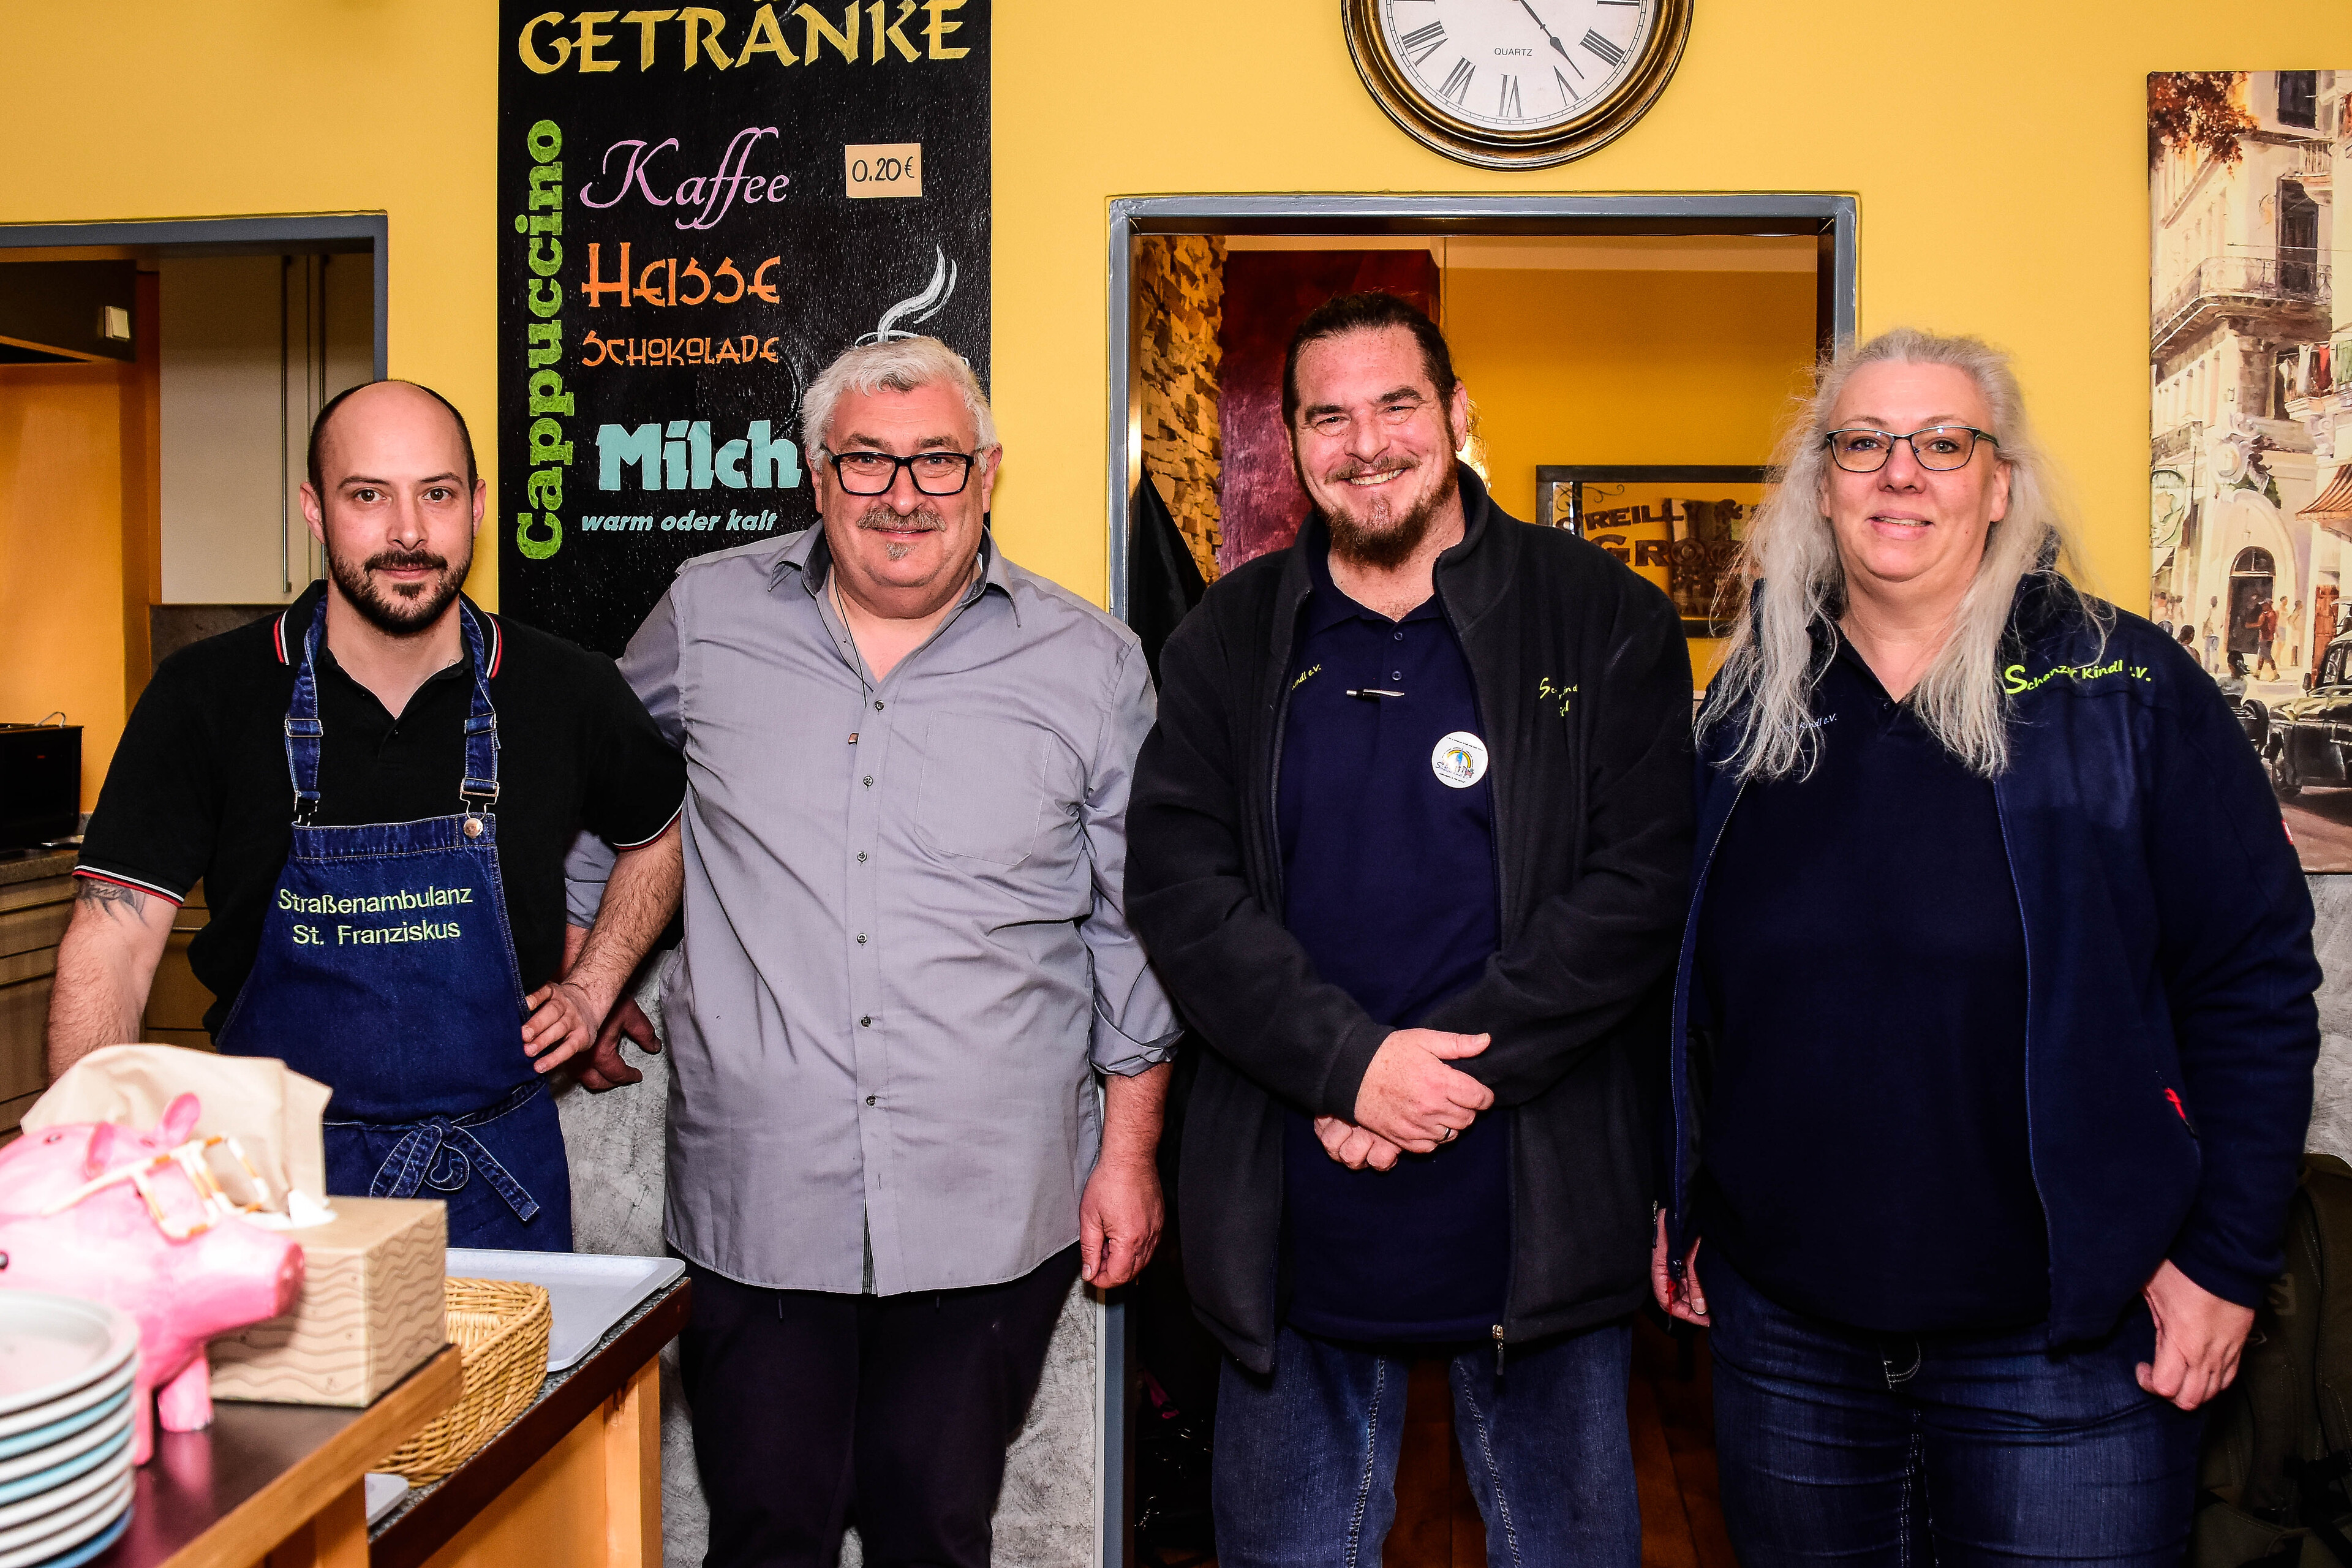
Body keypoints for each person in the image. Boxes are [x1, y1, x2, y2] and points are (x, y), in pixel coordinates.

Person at [1652, 328, 2320, 1565]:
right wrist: (1680, 1186)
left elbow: (2254, 981)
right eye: (1863, 443)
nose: (1900, 472)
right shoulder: (1751, 702)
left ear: (2000, 483)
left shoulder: (2129, 688)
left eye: (1944, 443)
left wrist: (2225, 1260)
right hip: (1789, 1340)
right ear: (1822, 484)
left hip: (2067, 1349)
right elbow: (1692, 981)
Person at [564, 336, 1176, 1568]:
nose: (904, 494)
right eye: (868, 461)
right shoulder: (708, 615)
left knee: (934, 1535)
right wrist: (594, 960)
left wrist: (1129, 1154)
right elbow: (612, 790)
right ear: (818, 473)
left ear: (987, 472)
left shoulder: (1093, 663)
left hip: (986, 1207)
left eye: (937, 459)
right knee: (764, 1535)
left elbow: (1136, 926)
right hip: (760, 1197)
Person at [1127, 292, 1695, 1568]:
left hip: (1539, 1207)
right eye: (1328, 416)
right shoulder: (1227, 636)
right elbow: (1179, 884)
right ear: (1291, 440)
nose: (1366, 442)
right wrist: (1351, 1068)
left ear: (1457, 413)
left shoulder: (1604, 614)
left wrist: (1431, 1079)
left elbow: (1639, 886)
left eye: (1397, 405)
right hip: (1294, 1209)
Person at [48, 380, 687, 1250]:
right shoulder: (207, 696)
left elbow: (662, 833)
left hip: (498, 1184)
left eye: (437, 493)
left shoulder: (563, 688)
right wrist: (91, 1181)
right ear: (314, 509)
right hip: (275, 1189)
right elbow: (112, 946)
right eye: (368, 496)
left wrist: (595, 983)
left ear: (477, 506)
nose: (409, 533)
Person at [2255, 596, 2280, 680]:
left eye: (2264, 605)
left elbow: (2269, 627)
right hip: (2264, 638)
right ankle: (2258, 674)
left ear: (2268, 605)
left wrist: (2251, 625)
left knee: (2267, 656)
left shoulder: (2270, 615)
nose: (2263, 606)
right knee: (2261, 656)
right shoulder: (2267, 614)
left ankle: (2276, 674)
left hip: (2266, 638)